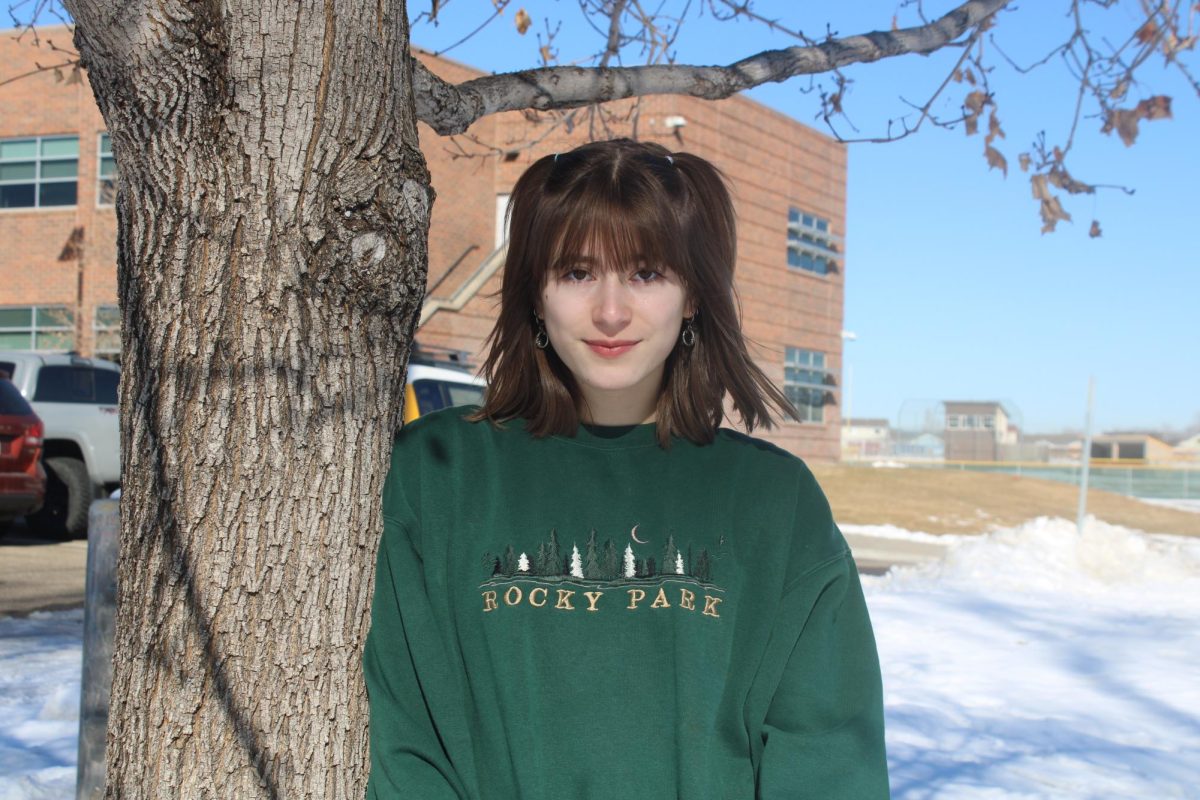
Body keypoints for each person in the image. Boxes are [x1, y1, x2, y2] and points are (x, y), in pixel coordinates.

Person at [363, 139, 890, 799]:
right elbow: (403, 742)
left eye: (646, 273)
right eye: (577, 273)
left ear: (692, 294)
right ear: (534, 291)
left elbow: (827, 761)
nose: (611, 312)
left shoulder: (774, 504)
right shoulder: (434, 475)